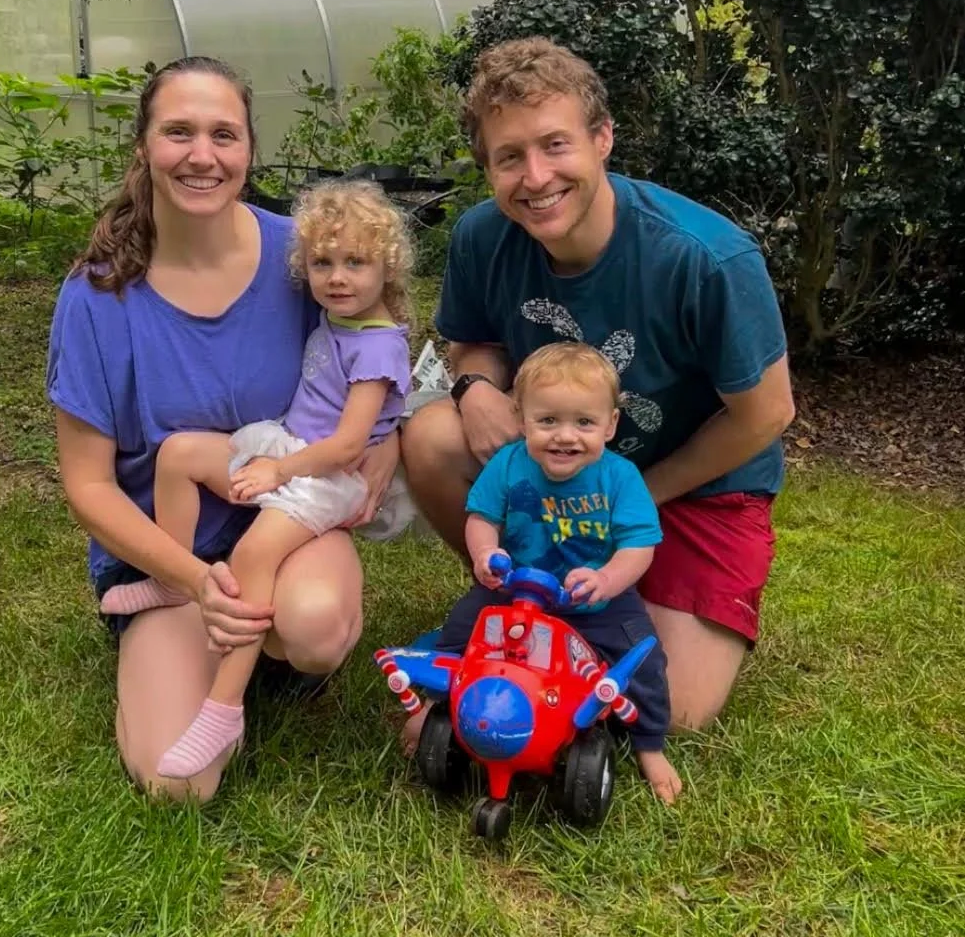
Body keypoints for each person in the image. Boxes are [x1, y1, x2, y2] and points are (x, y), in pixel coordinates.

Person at [402, 38, 795, 731]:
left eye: (554, 145)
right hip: (559, 468)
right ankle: (511, 596)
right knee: (433, 433)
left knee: (668, 710)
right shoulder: (480, 237)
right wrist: (475, 388)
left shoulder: (705, 258)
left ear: (602, 137)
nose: (535, 176)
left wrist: (636, 493)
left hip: (694, 486)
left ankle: (570, 611)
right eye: (508, 157)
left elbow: (765, 413)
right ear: (486, 168)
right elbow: (474, 341)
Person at [47, 57, 399, 803]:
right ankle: (186, 630)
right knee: (181, 787)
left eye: (223, 134)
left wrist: (386, 445)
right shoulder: (95, 298)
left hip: (285, 521)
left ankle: (275, 647)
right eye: (178, 132)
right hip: (167, 560)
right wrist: (190, 579)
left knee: (312, 627)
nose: (201, 155)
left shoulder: (305, 258)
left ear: (247, 150)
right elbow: (87, 486)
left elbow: (377, 354)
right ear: (143, 147)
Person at [99, 180, 414, 779]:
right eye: (323, 263)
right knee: (180, 456)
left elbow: (349, 443)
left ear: (387, 268)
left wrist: (278, 469)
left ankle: (224, 704)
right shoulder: (338, 320)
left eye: (355, 262)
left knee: (254, 552)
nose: (337, 277)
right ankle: (171, 579)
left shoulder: (377, 347)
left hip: (327, 474)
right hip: (291, 447)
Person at [411, 342, 681, 802]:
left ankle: (648, 742)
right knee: (461, 629)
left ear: (610, 425)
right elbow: (481, 518)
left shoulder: (620, 478)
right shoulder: (509, 465)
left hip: (595, 602)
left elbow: (639, 545)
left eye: (584, 422)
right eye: (548, 420)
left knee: (643, 657)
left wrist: (607, 580)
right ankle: (439, 703)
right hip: (515, 591)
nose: (565, 436)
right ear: (521, 419)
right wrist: (485, 555)